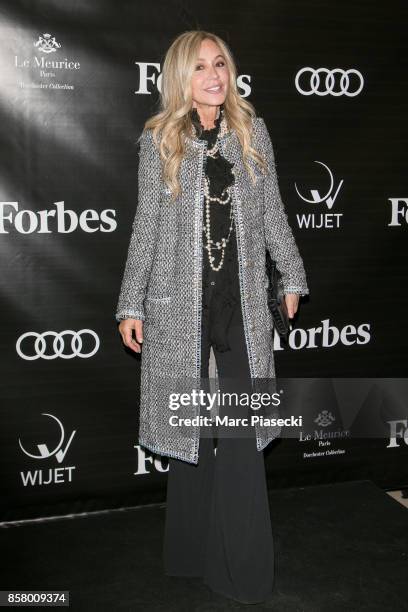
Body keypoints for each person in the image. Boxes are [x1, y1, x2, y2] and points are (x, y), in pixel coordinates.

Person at [115, 30, 309, 604]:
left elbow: (272, 207)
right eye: (200, 67)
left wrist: (291, 274)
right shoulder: (160, 140)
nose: (214, 75)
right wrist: (131, 302)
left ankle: (242, 572)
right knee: (194, 427)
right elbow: (147, 226)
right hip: (178, 305)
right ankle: (190, 553)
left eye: (220, 63)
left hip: (241, 304)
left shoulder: (252, 130)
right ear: (180, 77)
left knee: (241, 431)